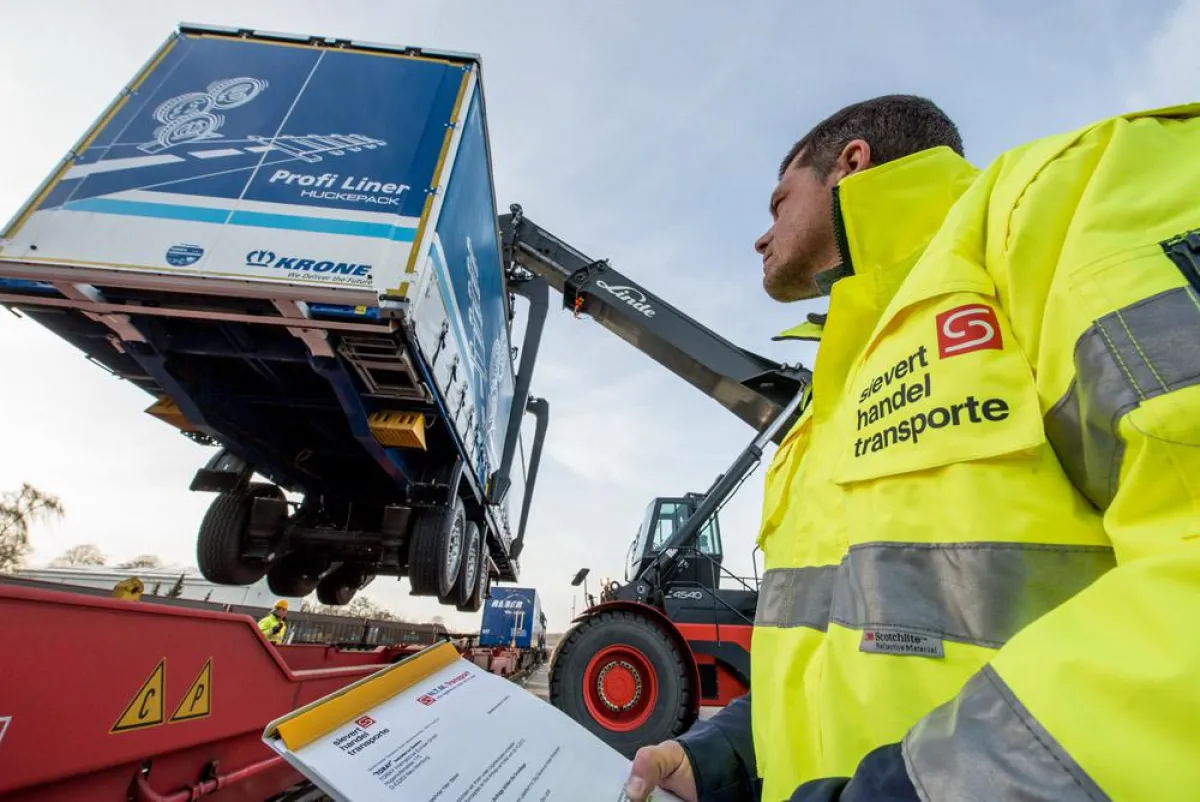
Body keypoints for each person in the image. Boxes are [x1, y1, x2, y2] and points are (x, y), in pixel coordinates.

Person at [624, 94, 1200, 802]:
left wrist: (911, 791)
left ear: (851, 164)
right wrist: (727, 758)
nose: (761, 235)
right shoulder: (828, 399)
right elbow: (839, 655)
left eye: (778, 203)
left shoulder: (1060, 205)